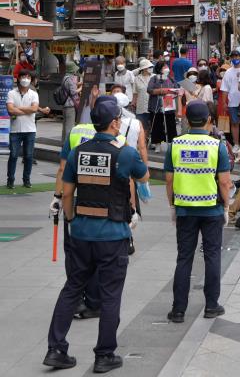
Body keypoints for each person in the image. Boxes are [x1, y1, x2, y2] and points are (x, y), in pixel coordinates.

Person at [43, 96, 149, 373]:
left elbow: (67, 193)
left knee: (72, 287)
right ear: (114, 122)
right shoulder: (123, 151)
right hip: (112, 234)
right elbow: (144, 176)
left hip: (80, 231)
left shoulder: (79, 150)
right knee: (110, 294)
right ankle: (104, 355)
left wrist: (71, 218)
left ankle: (55, 349)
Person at [165, 101, 232, 324]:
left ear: (185, 120)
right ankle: (212, 305)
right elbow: (224, 181)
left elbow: (169, 179)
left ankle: (178, 310)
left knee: (184, 258)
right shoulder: (217, 145)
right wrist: (227, 206)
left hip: (185, 209)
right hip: (212, 209)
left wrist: (172, 205)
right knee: (212, 256)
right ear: (208, 121)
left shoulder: (176, 144)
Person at [6, 69, 49, 189]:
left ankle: (27, 180)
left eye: (28, 77)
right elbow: (10, 110)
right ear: (19, 78)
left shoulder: (34, 94)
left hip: (30, 129)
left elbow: (34, 109)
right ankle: (11, 180)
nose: (26, 79)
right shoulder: (11, 93)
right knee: (13, 155)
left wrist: (18, 109)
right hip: (15, 130)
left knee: (29, 156)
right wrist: (27, 109)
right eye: (23, 77)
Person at [147, 61, 179, 150]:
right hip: (156, 105)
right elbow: (149, 90)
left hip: (169, 105)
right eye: (164, 66)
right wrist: (160, 91)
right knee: (157, 125)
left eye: (167, 66)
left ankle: (171, 143)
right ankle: (157, 144)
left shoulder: (171, 78)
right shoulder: (154, 78)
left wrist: (173, 92)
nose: (166, 68)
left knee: (171, 124)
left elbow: (176, 89)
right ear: (159, 68)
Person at [60, 61, 82, 141]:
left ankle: (63, 143)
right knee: (70, 126)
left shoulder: (65, 77)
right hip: (70, 105)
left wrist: (78, 85)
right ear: (72, 70)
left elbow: (70, 88)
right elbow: (73, 92)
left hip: (65, 104)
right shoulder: (70, 79)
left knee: (65, 125)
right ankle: (67, 145)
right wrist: (81, 88)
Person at [133, 59, 154, 131]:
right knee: (141, 127)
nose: (150, 68)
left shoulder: (154, 77)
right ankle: (144, 140)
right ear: (144, 69)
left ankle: (152, 141)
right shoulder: (137, 78)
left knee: (153, 126)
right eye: (149, 67)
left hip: (152, 106)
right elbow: (135, 93)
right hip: (141, 106)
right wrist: (133, 102)